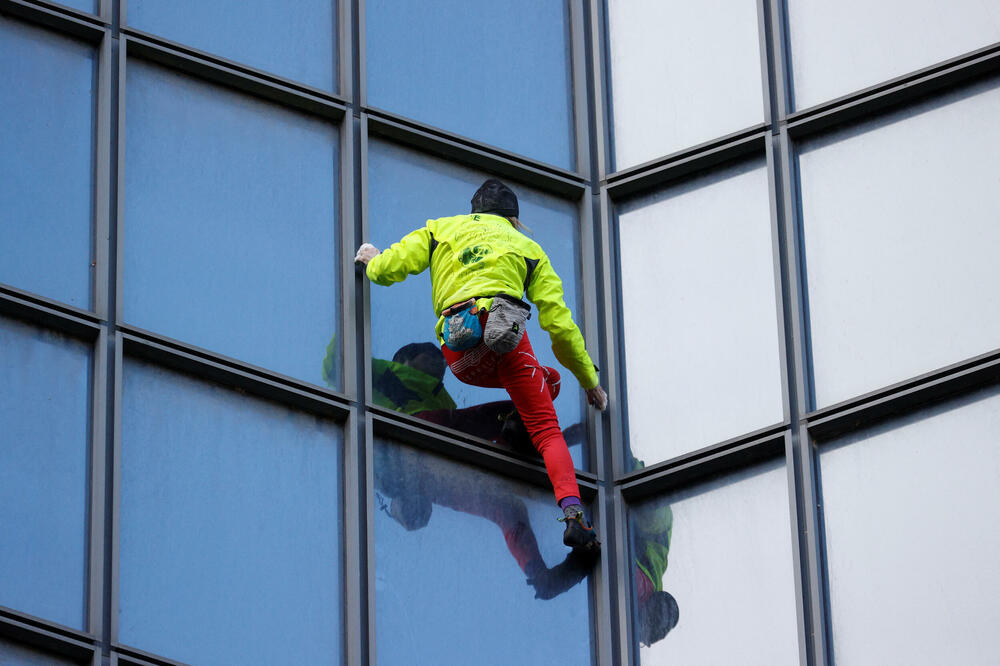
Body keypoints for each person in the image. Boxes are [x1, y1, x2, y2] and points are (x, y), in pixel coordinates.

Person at [355, 178, 607, 551]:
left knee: (546, 380)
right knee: (547, 427)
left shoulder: (440, 229)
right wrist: (589, 381)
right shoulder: (528, 247)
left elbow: (392, 267)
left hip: (461, 356)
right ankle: (574, 518)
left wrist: (372, 261)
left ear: (475, 211)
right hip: (505, 341)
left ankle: (516, 420)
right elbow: (560, 327)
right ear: (513, 219)